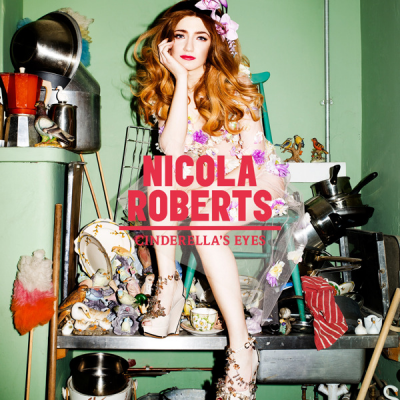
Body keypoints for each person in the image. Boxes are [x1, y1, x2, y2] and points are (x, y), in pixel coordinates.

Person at [128, 1, 305, 398]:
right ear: (167, 44)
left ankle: (242, 348)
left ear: (214, 44)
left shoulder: (232, 81)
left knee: (203, 216)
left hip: (254, 180)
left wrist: (213, 189)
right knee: (159, 177)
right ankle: (169, 286)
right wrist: (180, 79)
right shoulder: (168, 91)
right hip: (204, 186)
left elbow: (254, 157)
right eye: (180, 36)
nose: (190, 46)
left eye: (201, 37)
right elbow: (172, 151)